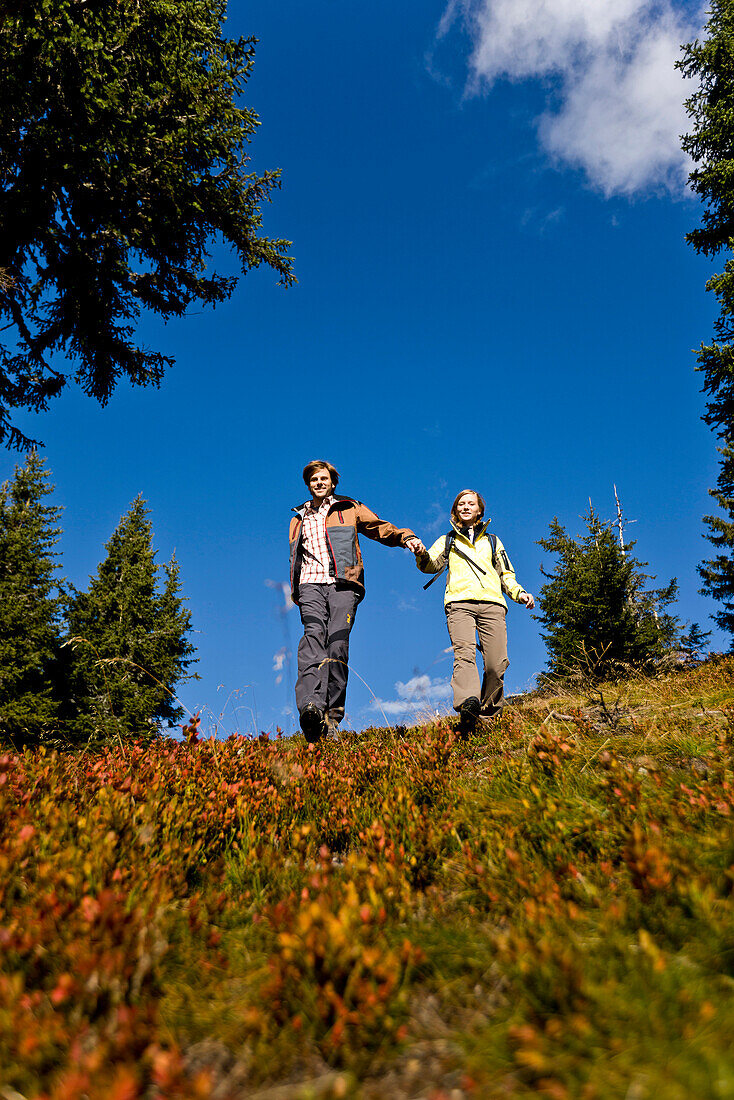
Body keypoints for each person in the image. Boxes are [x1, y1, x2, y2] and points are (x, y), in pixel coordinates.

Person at [289, 460, 423, 742]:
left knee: (336, 646)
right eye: (314, 479)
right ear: (308, 484)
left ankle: (332, 719)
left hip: (343, 585)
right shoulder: (298, 518)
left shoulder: (348, 508)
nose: (319, 483)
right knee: (313, 638)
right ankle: (310, 708)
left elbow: (378, 527)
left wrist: (405, 537)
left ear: (333, 483)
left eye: (324, 478)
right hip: (310, 586)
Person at [414, 489, 534, 736]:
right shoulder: (448, 540)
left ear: (480, 510)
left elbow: (506, 573)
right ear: (455, 510)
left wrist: (519, 593)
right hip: (459, 604)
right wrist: (420, 553)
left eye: (471, 503)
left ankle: (489, 713)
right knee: (465, 654)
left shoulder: (493, 541)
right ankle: (469, 703)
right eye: (461, 504)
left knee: (496, 663)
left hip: (493, 604)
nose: (466, 507)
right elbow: (430, 565)